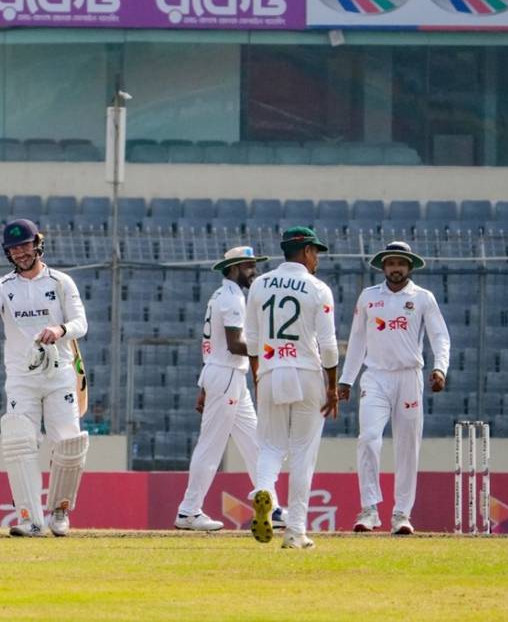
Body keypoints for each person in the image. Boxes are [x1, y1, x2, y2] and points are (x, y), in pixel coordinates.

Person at [0, 219, 89, 536]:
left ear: (37, 243)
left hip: (59, 375)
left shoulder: (61, 282)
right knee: (19, 442)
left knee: (67, 442)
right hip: (22, 378)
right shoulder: (3, 286)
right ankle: (29, 518)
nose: (20, 253)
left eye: (25, 245)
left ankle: (60, 512)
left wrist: (60, 329)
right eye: (13, 249)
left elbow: (81, 323)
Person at [342, 241, 450, 536]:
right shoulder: (368, 297)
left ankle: (402, 514)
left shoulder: (423, 298)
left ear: (410, 267)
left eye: (401, 264)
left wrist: (440, 368)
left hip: (408, 377)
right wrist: (346, 379)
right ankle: (369, 509)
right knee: (368, 438)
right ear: (383, 267)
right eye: (390, 263)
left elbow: (440, 337)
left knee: (407, 446)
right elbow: (357, 341)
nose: (396, 269)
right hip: (375, 376)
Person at [175, 247, 283, 532]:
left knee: (256, 443)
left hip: (226, 375)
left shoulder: (222, 295)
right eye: (248, 266)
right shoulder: (233, 298)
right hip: (226, 375)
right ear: (234, 268)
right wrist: (271, 349)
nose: (253, 271)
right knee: (211, 447)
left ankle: (272, 506)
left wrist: (203, 384)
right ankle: (188, 511)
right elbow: (235, 344)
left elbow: (216, 345)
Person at [245, 226, 339, 549]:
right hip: (307, 372)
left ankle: (266, 493)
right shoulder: (318, 288)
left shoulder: (259, 284)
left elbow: (253, 342)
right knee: (303, 452)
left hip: (271, 371)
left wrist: (258, 376)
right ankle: (295, 531)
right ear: (307, 252)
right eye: (316, 253)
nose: (317, 260)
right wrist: (332, 386)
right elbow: (328, 346)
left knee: (270, 447)